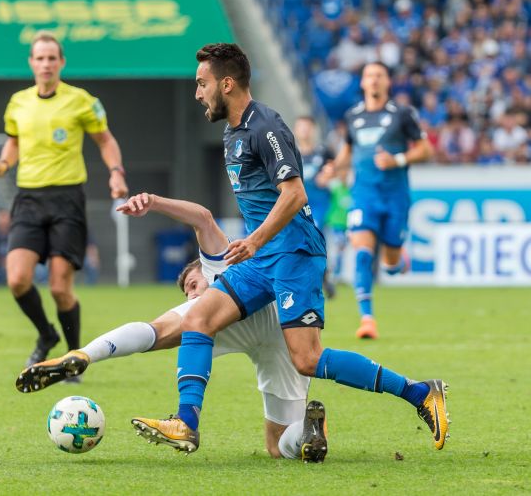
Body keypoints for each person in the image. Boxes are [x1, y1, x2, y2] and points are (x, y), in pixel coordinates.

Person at [130, 44, 448, 455]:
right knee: (198, 318)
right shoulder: (232, 131)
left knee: (306, 359)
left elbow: (295, 194)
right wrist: (258, 245)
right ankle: (185, 423)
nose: (197, 92)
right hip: (261, 258)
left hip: (294, 253)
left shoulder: (266, 127)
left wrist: (256, 239)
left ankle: (421, 392)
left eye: (202, 83)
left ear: (226, 84)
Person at [17, 192, 327, 462]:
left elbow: (203, 218)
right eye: (189, 293)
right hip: (277, 327)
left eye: (193, 284)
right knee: (277, 443)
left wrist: (153, 201)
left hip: (231, 304)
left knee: (156, 332)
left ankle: (85, 354)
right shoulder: (220, 283)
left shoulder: (221, 261)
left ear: (203, 266)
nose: (192, 294)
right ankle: (307, 434)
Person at [0, 31, 128, 367]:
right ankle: (47, 334)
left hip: (67, 200)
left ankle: (74, 356)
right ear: (31, 63)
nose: (46, 64)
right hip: (29, 199)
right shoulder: (18, 102)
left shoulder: (81, 100)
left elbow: (105, 141)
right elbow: (13, 143)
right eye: (40, 58)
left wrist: (116, 172)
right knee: (17, 279)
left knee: (60, 289)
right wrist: (3, 165)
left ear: (61, 62)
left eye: (52, 58)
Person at [335, 61, 433, 339]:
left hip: (395, 196)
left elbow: (426, 150)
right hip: (364, 195)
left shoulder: (402, 114)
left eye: (379, 75)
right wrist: (335, 168)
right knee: (363, 252)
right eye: (369, 75)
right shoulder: (353, 116)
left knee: (389, 264)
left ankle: (397, 262)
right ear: (363, 83)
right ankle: (367, 319)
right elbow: (348, 152)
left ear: (388, 81)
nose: (374, 80)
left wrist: (398, 159)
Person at [294, 116, 336, 297]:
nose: (304, 130)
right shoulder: (290, 153)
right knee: (299, 241)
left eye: (308, 127)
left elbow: (337, 167)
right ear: (296, 130)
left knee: (314, 235)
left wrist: (329, 175)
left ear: (313, 130)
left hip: (319, 203)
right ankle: (322, 275)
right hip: (298, 204)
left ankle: (317, 278)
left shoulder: (323, 151)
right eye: (301, 127)